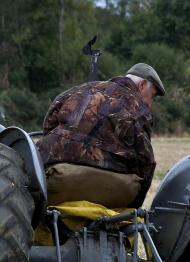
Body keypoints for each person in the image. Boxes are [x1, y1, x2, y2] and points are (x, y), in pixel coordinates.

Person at [37, 63, 165, 209]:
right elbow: (145, 163)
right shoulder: (140, 110)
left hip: (55, 180)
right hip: (111, 189)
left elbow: (48, 126)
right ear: (142, 85)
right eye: (152, 96)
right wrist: (133, 208)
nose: (149, 103)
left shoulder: (75, 91)